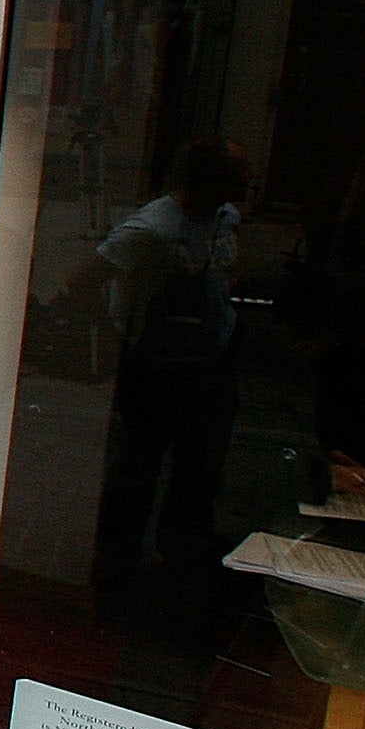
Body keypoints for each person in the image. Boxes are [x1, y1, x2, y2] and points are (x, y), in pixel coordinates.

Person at [70, 139, 250, 588]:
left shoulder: (227, 217)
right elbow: (82, 282)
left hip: (211, 363)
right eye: (237, 174)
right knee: (138, 470)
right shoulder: (152, 229)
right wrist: (114, 339)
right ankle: (116, 565)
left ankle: (183, 557)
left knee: (201, 468)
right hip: (158, 369)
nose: (248, 182)